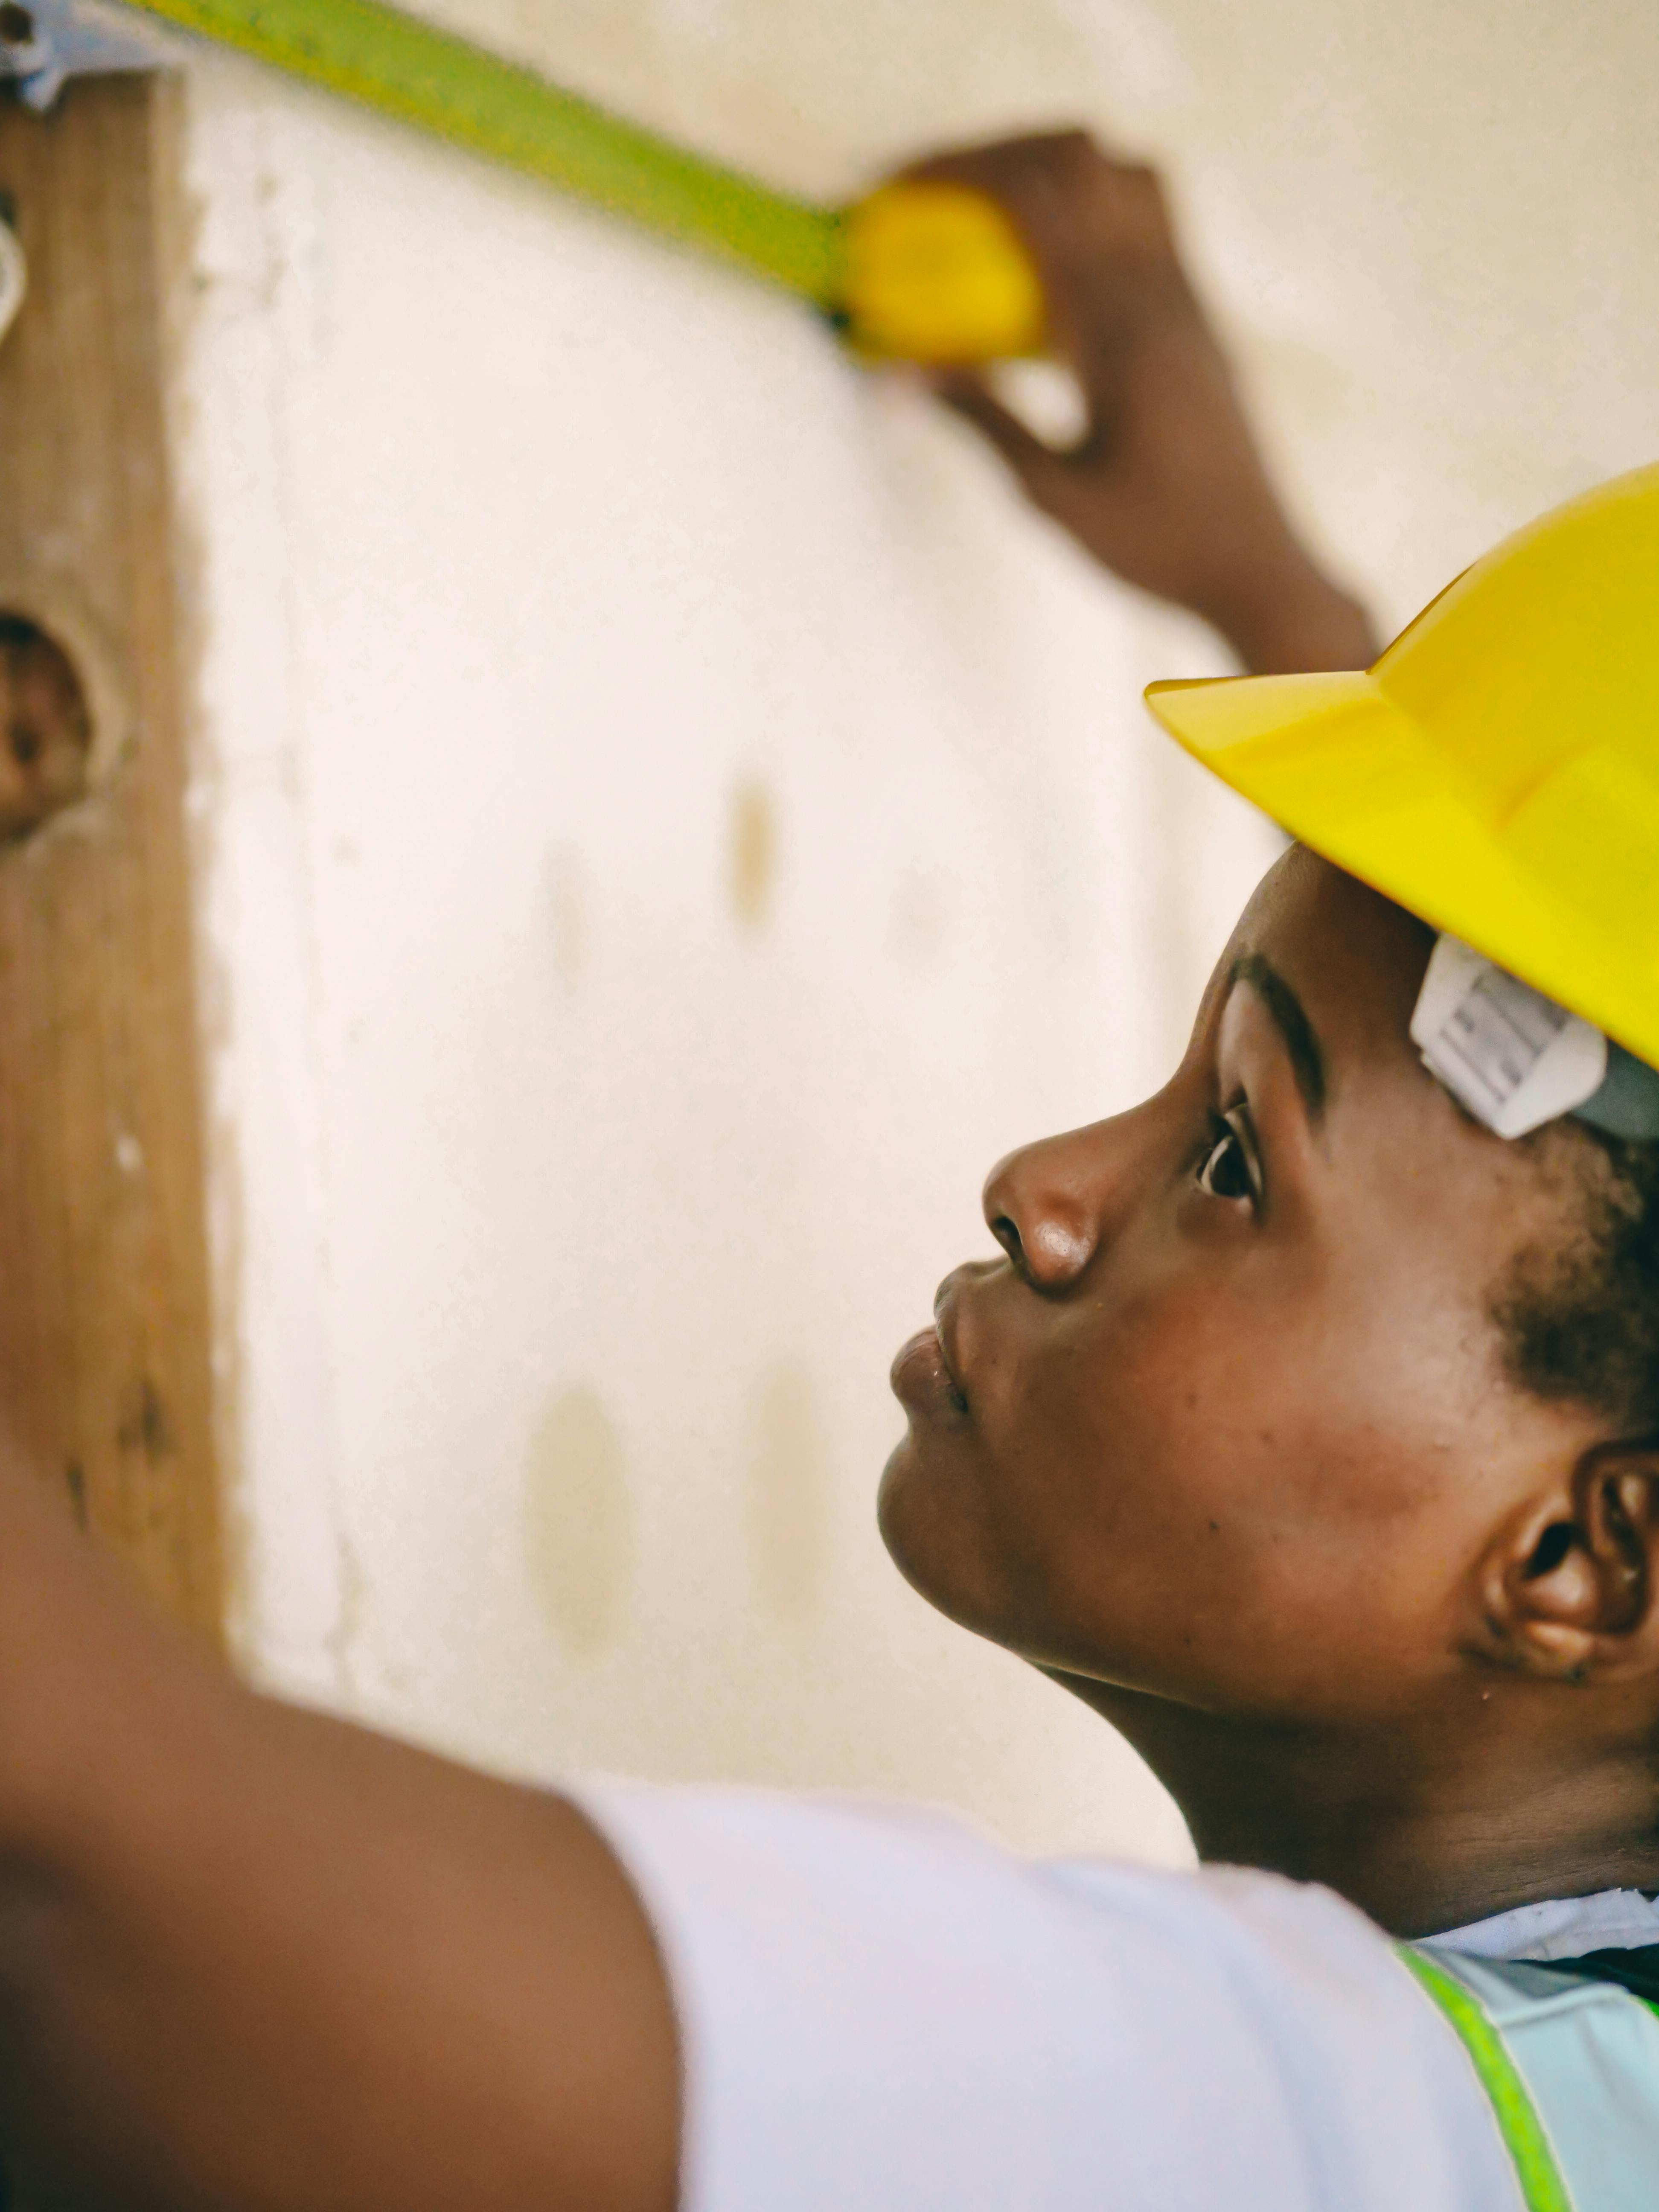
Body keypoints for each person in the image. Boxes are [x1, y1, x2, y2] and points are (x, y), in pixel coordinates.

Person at [1, 135, 1656, 2212]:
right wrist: (1297, 611)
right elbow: (1529, 1200)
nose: (1042, 1187)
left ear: (1591, 1566)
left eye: (1232, 1154)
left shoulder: (1316, 2141)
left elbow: (76, 1873)